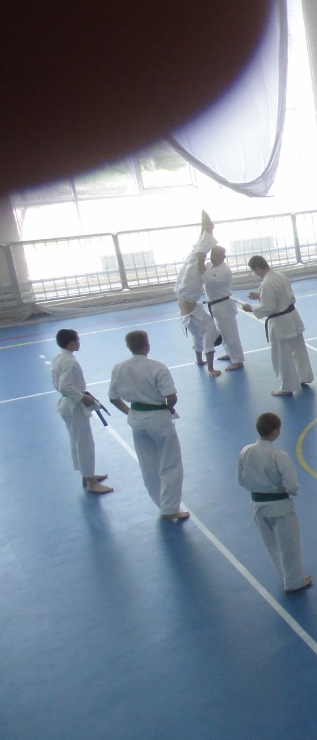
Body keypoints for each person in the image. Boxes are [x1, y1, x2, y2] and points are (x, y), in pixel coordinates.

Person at [108, 330, 186, 519]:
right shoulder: (157, 367)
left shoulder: (119, 367)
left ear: (128, 346)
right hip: (159, 419)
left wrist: (130, 411)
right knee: (170, 463)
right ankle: (170, 509)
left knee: (148, 465)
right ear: (147, 345)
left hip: (137, 420)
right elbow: (171, 397)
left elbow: (113, 398)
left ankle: (160, 504)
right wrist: (168, 408)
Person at [237, 411, 310, 591]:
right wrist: (282, 488)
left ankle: (285, 575)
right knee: (289, 546)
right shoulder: (279, 455)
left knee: (271, 545)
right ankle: (294, 581)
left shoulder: (246, 451)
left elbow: (241, 480)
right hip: (280, 507)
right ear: (276, 431)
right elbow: (292, 486)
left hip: (257, 506)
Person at [52, 328, 112, 494]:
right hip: (74, 408)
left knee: (77, 442)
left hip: (67, 407)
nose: (79, 343)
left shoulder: (59, 358)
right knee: (85, 444)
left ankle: (86, 476)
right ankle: (91, 482)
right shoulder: (69, 362)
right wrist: (82, 397)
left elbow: (56, 384)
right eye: (78, 340)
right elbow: (64, 387)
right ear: (71, 343)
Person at [243, 254, 313, 396]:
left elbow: (269, 308)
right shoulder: (279, 275)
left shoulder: (267, 283)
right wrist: (260, 295)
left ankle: (287, 387)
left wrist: (251, 308)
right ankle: (304, 376)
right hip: (292, 316)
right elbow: (281, 295)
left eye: (254, 271)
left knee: (282, 356)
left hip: (280, 322)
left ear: (258, 268)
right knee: (299, 350)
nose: (255, 274)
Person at [175, 211, 220, 377]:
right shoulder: (209, 329)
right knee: (195, 258)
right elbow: (208, 347)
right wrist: (209, 367)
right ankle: (207, 230)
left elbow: (201, 345)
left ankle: (206, 230)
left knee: (194, 257)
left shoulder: (200, 330)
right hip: (186, 294)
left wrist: (202, 362)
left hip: (186, 293)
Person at [203, 244, 244, 370]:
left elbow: (210, 281)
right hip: (215, 305)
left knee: (230, 334)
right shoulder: (209, 265)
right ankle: (231, 354)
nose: (213, 258)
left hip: (224, 305)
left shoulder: (224, 270)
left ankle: (238, 360)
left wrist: (201, 269)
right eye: (212, 255)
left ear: (223, 257)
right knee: (222, 333)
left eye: (216, 256)